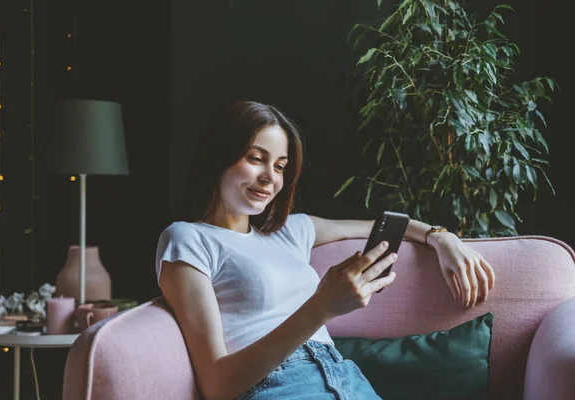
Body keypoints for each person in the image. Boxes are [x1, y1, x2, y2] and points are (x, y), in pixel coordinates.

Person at [155, 100, 496, 400]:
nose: (270, 178)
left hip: (348, 380)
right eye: (257, 158)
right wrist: (322, 307)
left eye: (280, 167)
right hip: (277, 387)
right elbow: (216, 384)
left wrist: (442, 238)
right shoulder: (187, 239)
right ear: (219, 156)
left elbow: (391, 224)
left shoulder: (291, 230)